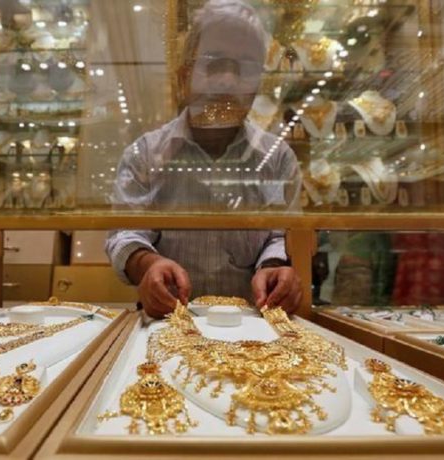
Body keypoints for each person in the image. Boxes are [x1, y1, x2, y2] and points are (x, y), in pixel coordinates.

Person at [105, 0, 302, 318]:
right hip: (165, 326)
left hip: (255, 330)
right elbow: (125, 234)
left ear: (257, 83)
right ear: (185, 75)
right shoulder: (145, 154)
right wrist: (149, 265)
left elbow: (283, 234)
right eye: (213, 63)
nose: (227, 81)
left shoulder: (278, 158)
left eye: (244, 68)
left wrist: (274, 267)